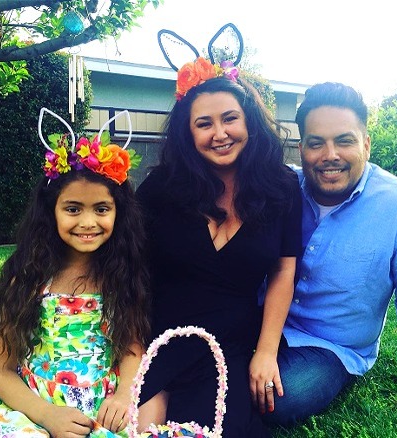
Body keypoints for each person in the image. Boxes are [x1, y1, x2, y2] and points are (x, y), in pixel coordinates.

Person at [262, 82, 397, 427]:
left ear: (366, 143)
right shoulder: (281, 191)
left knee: (280, 398)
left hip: (329, 347)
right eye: (316, 143)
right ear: (301, 147)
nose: (329, 155)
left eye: (344, 141)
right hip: (261, 323)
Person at [133, 55, 301, 437]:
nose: (220, 133)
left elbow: (282, 269)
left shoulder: (281, 187)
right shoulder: (161, 188)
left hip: (229, 343)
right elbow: (125, 263)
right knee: (139, 426)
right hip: (160, 336)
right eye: (203, 124)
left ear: (249, 123)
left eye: (230, 118)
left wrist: (266, 351)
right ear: (187, 134)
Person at [0, 109, 152, 437]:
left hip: (101, 411)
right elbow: (0, 372)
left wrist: (123, 395)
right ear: (51, 211)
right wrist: (47, 416)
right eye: (73, 208)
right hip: (33, 408)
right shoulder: (30, 279)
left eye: (101, 209)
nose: (88, 222)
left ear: (118, 213)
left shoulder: (121, 278)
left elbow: (132, 349)